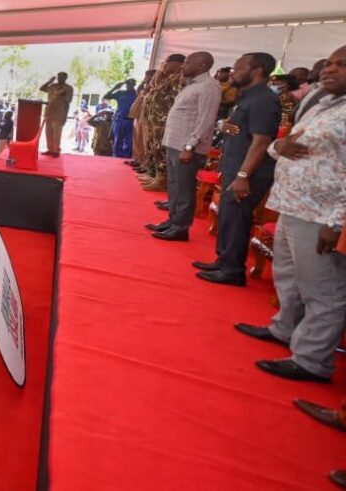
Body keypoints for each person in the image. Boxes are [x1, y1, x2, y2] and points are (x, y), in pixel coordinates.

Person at [233, 46, 346, 383]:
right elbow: (282, 145)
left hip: (322, 213)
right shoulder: (323, 103)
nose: (329, 69)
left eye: (342, 65)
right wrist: (277, 147)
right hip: (291, 203)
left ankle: (311, 360)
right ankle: (283, 328)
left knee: (322, 290)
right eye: (329, 63)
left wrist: (338, 222)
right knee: (288, 275)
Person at [194, 52, 281, 286]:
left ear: (257, 71)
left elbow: (261, 142)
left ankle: (233, 270)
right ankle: (224, 261)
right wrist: (224, 126)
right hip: (236, 165)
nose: (233, 72)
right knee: (228, 215)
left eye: (239, 67)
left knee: (237, 218)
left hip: (249, 171)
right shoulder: (247, 96)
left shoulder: (264, 99)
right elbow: (241, 130)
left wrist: (243, 175)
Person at [148, 51, 220, 242]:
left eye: (188, 63)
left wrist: (190, 146)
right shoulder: (191, 84)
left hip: (187, 147)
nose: (183, 66)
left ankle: (180, 228)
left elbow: (206, 119)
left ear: (203, 65)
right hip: (175, 143)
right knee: (174, 186)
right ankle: (172, 221)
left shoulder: (209, 86)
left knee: (184, 188)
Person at [139, 55, 185, 192]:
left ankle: (162, 179)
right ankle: (154, 174)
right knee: (154, 149)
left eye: (167, 63)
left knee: (161, 151)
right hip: (156, 121)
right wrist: (159, 73)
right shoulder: (169, 78)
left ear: (178, 64)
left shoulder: (178, 79)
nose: (164, 65)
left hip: (165, 122)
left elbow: (177, 101)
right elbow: (155, 87)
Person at [40, 73, 74, 156]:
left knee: (57, 132)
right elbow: (42, 89)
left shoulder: (68, 88)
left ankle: (56, 150)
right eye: (59, 77)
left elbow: (68, 102)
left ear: (66, 78)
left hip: (59, 112)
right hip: (49, 111)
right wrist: (49, 82)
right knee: (48, 131)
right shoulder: (52, 86)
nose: (59, 78)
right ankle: (50, 149)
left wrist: (65, 116)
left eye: (62, 77)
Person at [104, 78, 137, 158]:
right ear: (126, 84)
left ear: (134, 85)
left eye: (132, 84)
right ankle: (116, 157)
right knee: (117, 139)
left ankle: (125, 157)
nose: (130, 86)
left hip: (130, 120)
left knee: (128, 141)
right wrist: (115, 88)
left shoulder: (136, 95)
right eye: (128, 84)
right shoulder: (120, 93)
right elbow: (106, 96)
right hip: (119, 119)